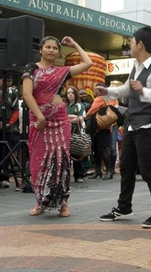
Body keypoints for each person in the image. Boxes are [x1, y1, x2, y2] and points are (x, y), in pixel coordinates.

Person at [97, 26, 151, 228]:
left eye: (131, 42)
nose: (130, 45)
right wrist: (107, 91)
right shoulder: (135, 68)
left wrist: (145, 91)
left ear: (140, 44)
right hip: (132, 125)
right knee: (126, 168)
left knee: (149, 171)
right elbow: (125, 89)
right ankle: (124, 207)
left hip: (149, 126)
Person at [21, 36, 93, 217]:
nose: (52, 50)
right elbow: (27, 95)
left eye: (55, 48)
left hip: (60, 122)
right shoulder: (31, 69)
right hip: (38, 122)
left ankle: (63, 204)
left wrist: (75, 44)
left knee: (61, 162)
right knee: (38, 163)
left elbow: (88, 63)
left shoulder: (61, 71)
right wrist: (40, 117)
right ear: (41, 49)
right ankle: (40, 202)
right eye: (48, 47)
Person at [85, 84, 117, 180]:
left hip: (98, 128)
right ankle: (100, 171)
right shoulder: (110, 99)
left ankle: (108, 171)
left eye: (97, 89)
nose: (94, 91)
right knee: (99, 149)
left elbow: (91, 111)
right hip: (106, 127)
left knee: (101, 149)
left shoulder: (99, 99)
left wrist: (85, 116)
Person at [0, 75, 20, 188]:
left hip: (7, 127)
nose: (8, 83)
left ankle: (4, 177)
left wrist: (10, 123)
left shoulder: (13, 93)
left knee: (5, 152)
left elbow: (16, 110)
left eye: (10, 80)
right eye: (5, 80)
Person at [65, 86, 87, 182]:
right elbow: (62, 118)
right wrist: (73, 116)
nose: (70, 94)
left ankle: (79, 175)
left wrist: (69, 119)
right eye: (68, 92)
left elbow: (81, 118)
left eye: (72, 92)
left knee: (77, 152)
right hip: (66, 131)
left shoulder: (79, 105)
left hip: (77, 131)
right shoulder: (64, 106)